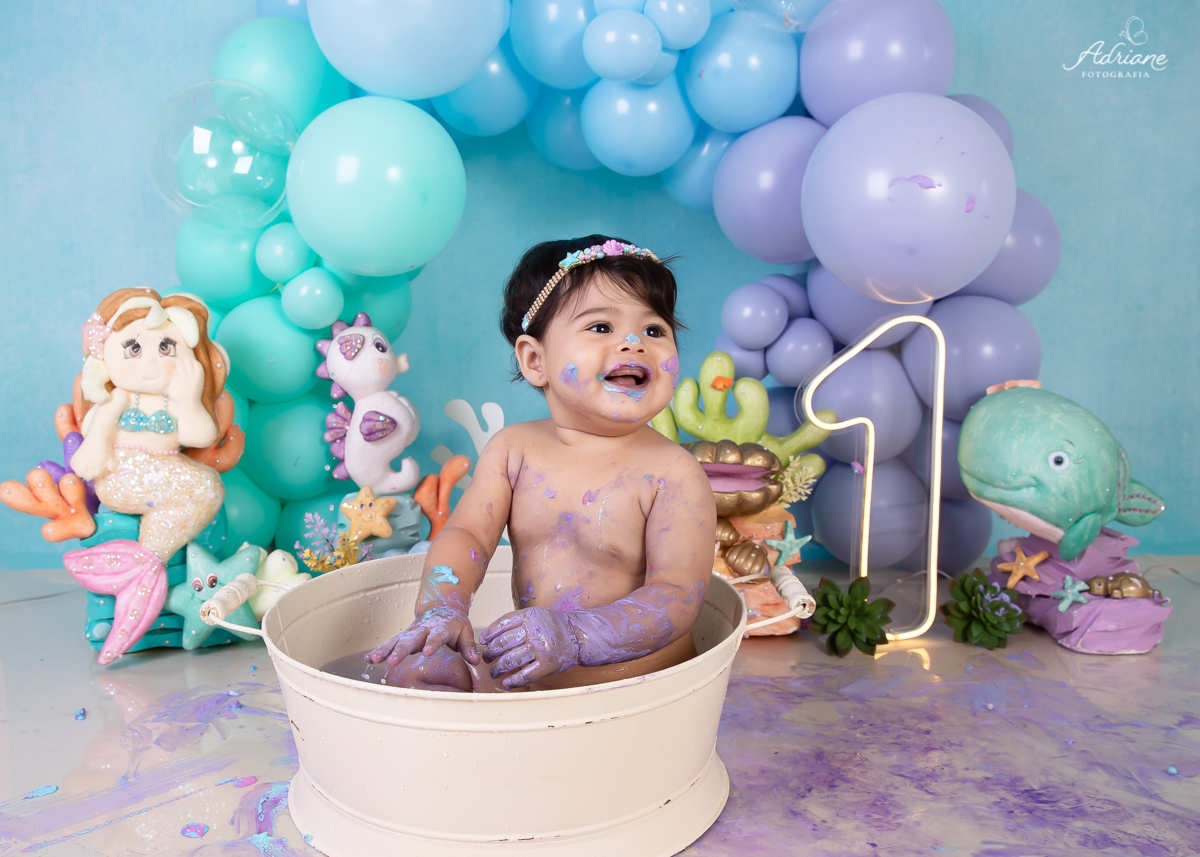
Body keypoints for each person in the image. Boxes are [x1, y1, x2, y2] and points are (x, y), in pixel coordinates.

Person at [367, 236, 716, 691]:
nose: (634, 344)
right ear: (535, 360)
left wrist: (576, 635)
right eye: (601, 327)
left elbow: (677, 595)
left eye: (654, 330)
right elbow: (467, 534)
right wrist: (442, 608)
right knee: (416, 670)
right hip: (533, 676)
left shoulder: (673, 473)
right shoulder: (514, 451)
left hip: (639, 690)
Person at [64, 288, 228, 664]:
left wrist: (188, 397)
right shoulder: (118, 398)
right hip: (122, 475)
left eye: (166, 347)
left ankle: (144, 564)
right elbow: (93, 439)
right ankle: (147, 563)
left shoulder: (176, 398)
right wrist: (97, 450)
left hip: (167, 470)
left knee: (207, 486)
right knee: (204, 486)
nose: (151, 361)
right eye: (134, 348)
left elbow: (200, 436)